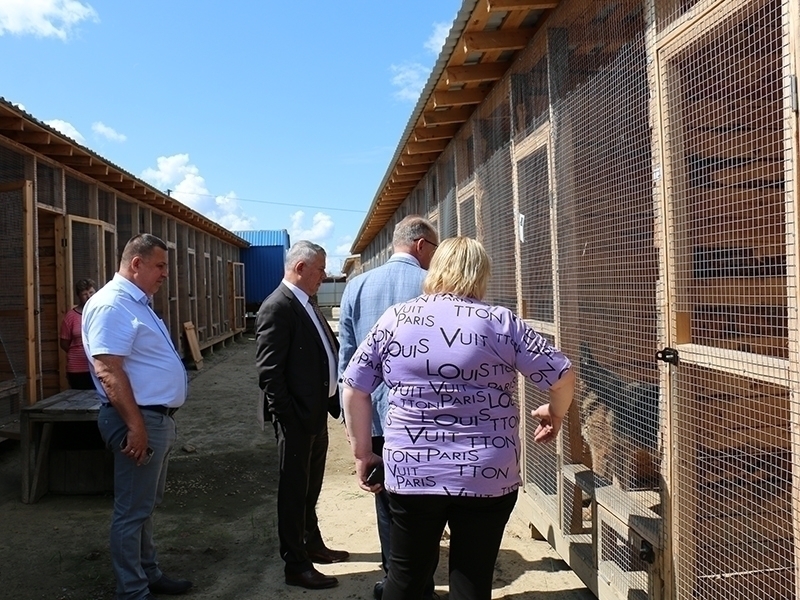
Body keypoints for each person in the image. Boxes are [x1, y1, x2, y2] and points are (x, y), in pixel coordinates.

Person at [341, 237, 575, 600]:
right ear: (481, 274)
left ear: (435, 268)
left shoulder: (396, 319)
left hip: (412, 470)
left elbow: (355, 387)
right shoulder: (500, 322)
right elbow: (562, 375)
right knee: (472, 580)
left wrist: (362, 454)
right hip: (487, 472)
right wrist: (554, 412)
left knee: (405, 577)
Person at [82, 234, 192, 600]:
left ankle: (148, 573)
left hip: (152, 419)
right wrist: (135, 427)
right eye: (159, 266)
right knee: (131, 512)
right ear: (136, 264)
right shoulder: (113, 306)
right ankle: (132, 590)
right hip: (137, 420)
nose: (164, 274)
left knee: (144, 507)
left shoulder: (137, 304)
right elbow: (108, 369)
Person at [337, 215, 439, 600]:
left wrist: (353, 427)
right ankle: (421, 582)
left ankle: (393, 577)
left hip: (373, 413)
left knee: (386, 499)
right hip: (424, 415)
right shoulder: (433, 286)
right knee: (427, 503)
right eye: (434, 249)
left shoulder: (357, 286)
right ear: (420, 245)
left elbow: (347, 362)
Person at [255, 240, 349, 590]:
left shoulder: (306, 302)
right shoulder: (277, 307)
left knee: (310, 487)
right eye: (320, 269)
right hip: (297, 419)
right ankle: (295, 564)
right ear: (300, 268)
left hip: (315, 416)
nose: (324, 276)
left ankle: (312, 544)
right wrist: (290, 417)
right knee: (293, 492)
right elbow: (269, 374)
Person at [59, 278, 96, 389]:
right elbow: (64, 343)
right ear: (79, 296)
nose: (89, 296)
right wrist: (78, 350)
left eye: (91, 292)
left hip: (97, 367)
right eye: (84, 294)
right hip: (77, 368)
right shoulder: (71, 316)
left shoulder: (100, 312)